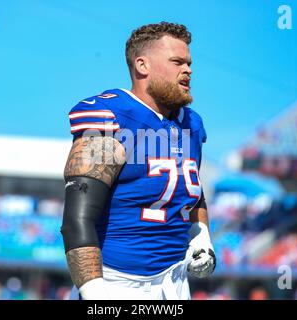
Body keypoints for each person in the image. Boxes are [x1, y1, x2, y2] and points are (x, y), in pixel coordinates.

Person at [61, 21, 216, 300]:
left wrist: (201, 234)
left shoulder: (191, 124)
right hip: (116, 283)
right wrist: (96, 294)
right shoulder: (110, 118)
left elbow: (192, 191)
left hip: (176, 283)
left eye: (189, 62)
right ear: (142, 65)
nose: (188, 70)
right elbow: (77, 220)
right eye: (177, 61)